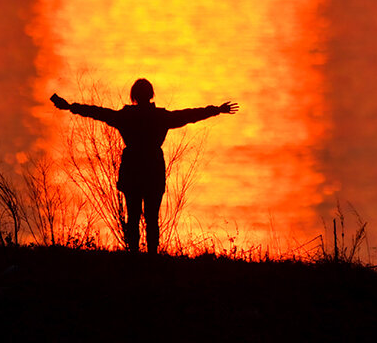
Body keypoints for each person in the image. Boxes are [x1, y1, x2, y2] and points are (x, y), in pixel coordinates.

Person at [51, 79, 238, 254]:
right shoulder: (160, 117)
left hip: (132, 168)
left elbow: (97, 112)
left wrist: (70, 107)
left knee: (132, 215)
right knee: (151, 217)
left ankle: (133, 255)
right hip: (153, 169)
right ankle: (152, 256)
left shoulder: (125, 117)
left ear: (133, 96)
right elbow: (189, 115)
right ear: (151, 95)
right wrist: (216, 110)